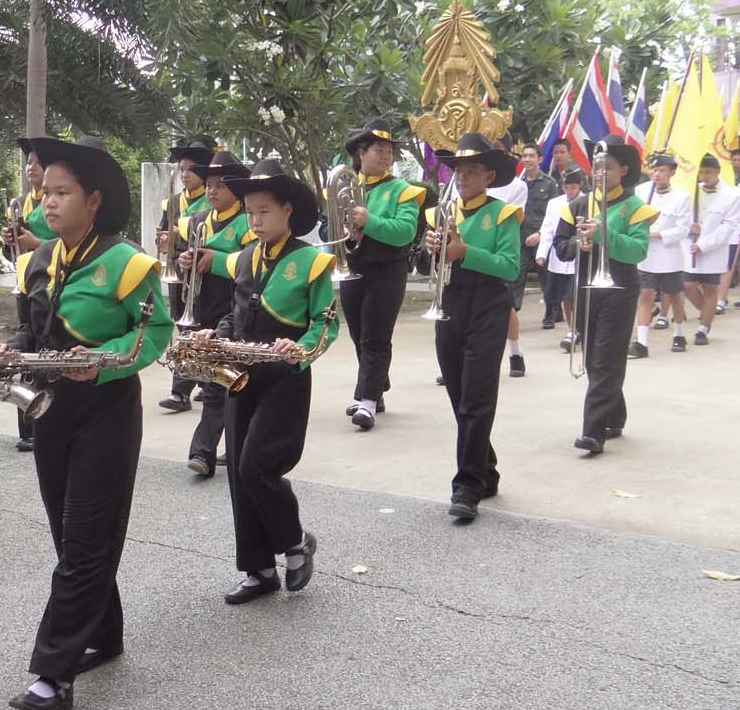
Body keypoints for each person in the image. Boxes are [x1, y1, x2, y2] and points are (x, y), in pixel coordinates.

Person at [0, 135, 172, 710]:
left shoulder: (127, 263)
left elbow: (156, 333)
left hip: (107, 410)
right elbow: (35, 332)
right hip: (50, 409)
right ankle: (104, 635)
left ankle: (53, 673)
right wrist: (8, 350)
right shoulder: (41, 259)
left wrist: (104, 361)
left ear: (94, 200)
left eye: (62, 192)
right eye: (45, 191)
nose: (48, 201)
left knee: (87, 537)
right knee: (69, 536)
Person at [208, 158, 338, 601]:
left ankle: (295, 542)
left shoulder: (313, 261)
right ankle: (259, 570)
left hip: (284, 378)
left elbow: (326, 323)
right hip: (240, 374)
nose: (255, 220)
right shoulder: (244, 258)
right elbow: (235, 315)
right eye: (250, 212)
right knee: (237, 475)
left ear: (287, 210)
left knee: (256, 467)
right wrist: (217, 334)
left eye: (264, 211)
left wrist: (301, 348)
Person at [423, 134, 521, 521]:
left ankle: (466, 486)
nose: (462, 177)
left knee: (476, 399)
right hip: (450, 304)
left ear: (489, 176)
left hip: (488, 307)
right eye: (459, 171)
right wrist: (430, 251)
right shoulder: (441, 212)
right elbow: (426, 267)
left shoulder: (503, 214)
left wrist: (465, 251)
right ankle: (486, 471)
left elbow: (510, 267)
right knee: (458, 395)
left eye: (472, 171)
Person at [551, 135, 658, 454]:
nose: (599, 173)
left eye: (607, 167)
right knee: (594, 359)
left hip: (620, 288)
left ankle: (593, 432)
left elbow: (638, 250)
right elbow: (561, 247)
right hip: (586, 285)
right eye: (596, 167)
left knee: (605, 358)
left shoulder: (635, 207)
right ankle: (614, 416)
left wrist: (602, 235)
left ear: (623, 170)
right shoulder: (577, 205)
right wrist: (578, 244)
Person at [175, 150, 254, 479]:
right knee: (216, 382)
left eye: (220, 185)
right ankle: (223, 447)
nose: (212, 191)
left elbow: (252, 264)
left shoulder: (246, 224)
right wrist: (183, 262)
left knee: (218, 386)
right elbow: (185, 259)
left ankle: (203, 451)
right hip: (202, 309)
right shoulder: (197, 221)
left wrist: (215, 260)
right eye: (209, 184)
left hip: (234, 309)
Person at [341, 118, 422, 430]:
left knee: (375, 336)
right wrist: (345, 232)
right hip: (353, 267)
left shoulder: (402, 190)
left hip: (387, 270)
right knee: (358, 334)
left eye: (389, 151)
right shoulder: (346, 187)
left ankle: (367, 401)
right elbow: (328, 226)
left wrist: (369, 221)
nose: (386, 156)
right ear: (361, 153)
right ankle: (375, 390)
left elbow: (405, 232)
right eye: (379, 150)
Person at [156, 135, 216, 413]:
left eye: (190, 169)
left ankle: (182, 390)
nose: (184, 174)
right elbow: (162, 233)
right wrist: (163, 240)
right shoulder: (172, 202)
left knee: (200, 328)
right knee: (184, 326)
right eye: (181, 169)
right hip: (177, 271)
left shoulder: (210, 200)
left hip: (201, 269)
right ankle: (197, 383)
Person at [7, 140, 54, 452]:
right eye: (28, 162)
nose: (30, 167)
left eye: (36, 162)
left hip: (49, 283)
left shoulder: (56, 202)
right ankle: (27, 427)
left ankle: (45, 422)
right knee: (26, 350)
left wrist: (36, 243)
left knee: (44, 350)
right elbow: (11, 253)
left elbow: (66, 243)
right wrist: (9, 241)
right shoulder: (21, 202)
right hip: (24, 282)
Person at [629, 153, 691, 357]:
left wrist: (655, 234)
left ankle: (679, 333)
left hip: (669, 255)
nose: (657, 174)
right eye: (654, 170)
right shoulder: (641, 191)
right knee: (645, 294)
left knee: (674, 295)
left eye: (662, 170)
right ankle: (642, 342)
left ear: (672, 172)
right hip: (646, 255)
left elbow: (682, 229)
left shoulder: (682, 197)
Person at [682, 155, 740, 345]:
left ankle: (703, 329)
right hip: (690, 248)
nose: (704, 176)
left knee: (710, 289)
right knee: (688, 286)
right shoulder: (691, 191)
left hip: (714, 250)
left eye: (708, 172)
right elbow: (681, 217)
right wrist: (689, 228)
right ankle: (706, 312)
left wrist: (704, 245)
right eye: (701, 172)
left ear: (717, 171)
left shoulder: (732, 195)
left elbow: (728, 226)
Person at [487, 143, 530, 377]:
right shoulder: (461, 178)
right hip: (466, 247)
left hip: (499, 248)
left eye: (497, 147)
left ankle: (515, 353)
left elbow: (512, 218)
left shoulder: (517, 185)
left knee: (507, 305)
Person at [535, 169, 583, 352]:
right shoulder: (554, 203)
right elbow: (547, 229)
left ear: (580, 186)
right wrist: (542, 253)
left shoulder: (586, 202)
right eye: (566, 187)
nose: (570, 191)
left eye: (573, 187)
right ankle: (573, 331)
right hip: (559, 256)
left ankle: (581, 329)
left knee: (576, 296)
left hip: (580, 257)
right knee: (566, 298)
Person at [518, 144, 562, 330]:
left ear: (540, 159)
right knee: (516, 276)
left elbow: (554, 214)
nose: (527, 159)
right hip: (520, 237)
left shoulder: (549, 184)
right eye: (524, 156)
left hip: (541, 238)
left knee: (547, 278)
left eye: (531, 156)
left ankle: (551, 314)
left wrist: (540, 234)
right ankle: (512, 312)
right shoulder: (518, 184)